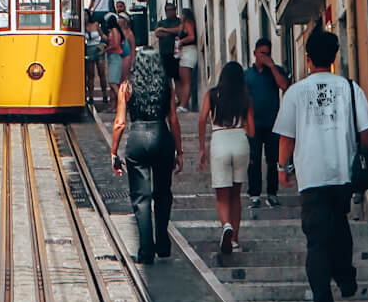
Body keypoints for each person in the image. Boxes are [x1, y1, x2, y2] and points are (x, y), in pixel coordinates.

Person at [274, 27, 368, 302]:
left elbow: (286, 139)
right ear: (334, 57)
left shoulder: (295, 92)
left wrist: (283, 169)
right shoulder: (350, 87)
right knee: (339, 225)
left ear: (308, 59)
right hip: (343, 174)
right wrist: (366, 162)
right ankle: (345, 277)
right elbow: (366, 134)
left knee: (317, 240)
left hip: (312, 176)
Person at [110, 48, 183, 263]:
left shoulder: (127, 86)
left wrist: (114, 151)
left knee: (141, 198)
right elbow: (174, 120)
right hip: (162, 137)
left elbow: (120, 122)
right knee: (162, 194)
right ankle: (162, 242)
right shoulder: (166, 86)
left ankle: (146, 250)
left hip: (138, 140)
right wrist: (179, 150)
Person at [198, 60, 255, 255]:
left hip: (220, 140)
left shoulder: (212, 95)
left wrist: (201, 149)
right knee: (236, 195)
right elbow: (253, 130)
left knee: (222, 196)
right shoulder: (245, 97)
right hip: (239, 140)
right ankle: (236, 240)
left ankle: (226, 226)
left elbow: (202, 119)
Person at [245, 38, 290, 208]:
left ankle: (272, 193)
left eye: (268, 53)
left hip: (273, 123)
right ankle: (254, 194)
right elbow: (243, 98)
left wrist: (271, 67)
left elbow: (285, 86)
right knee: (254, 160)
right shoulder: (247, 75)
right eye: (262, 53)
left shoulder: (276, 70)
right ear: (255, 53)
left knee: (273, 160)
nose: (264, 56)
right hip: (253, 124)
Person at [152, 2, 183, 86]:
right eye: (167, 10)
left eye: (171, 10)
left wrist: (165, 30)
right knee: (167, 78)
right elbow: (157, 33)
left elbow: (179, 30)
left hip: (176, 53)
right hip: (164, 53)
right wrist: (172, 33)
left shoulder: (179, 21)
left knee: (177, 78)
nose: (169, 12)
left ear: (175, 10)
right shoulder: (161, 23)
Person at [176, 8, 199, 111]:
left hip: (188, 52)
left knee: (186, 80)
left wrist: (181, 42)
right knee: (183, 79)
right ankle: (183, 103)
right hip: (184, 52)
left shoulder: (188, 23)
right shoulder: (182, 25)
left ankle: (184, 104)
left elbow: (192, 37)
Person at [84, 15, 108, 106]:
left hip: (98, 48)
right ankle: (90, 96)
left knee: (102, 73)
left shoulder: (95, 25)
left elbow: (102, 36)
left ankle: (104, 94)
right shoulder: (82, 27)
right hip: (89, 49)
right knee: (90, 75)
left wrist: (105, 43)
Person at [103, 15, 124, 108]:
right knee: (112, 82)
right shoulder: (112, 31)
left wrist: (105, 50)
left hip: (115, 56)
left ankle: (121, 103)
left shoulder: (114, 30)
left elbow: (116, 44)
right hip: (112, 57)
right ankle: (113, 105)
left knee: (113, 82)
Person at [117, 13, 136, 84]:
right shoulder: (116, 32)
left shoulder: (129, 33)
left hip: (126, 58)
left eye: (120, 19)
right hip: (117, 57)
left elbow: (133, 48)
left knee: (125, 78)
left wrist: (132, 62)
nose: (118, 20)